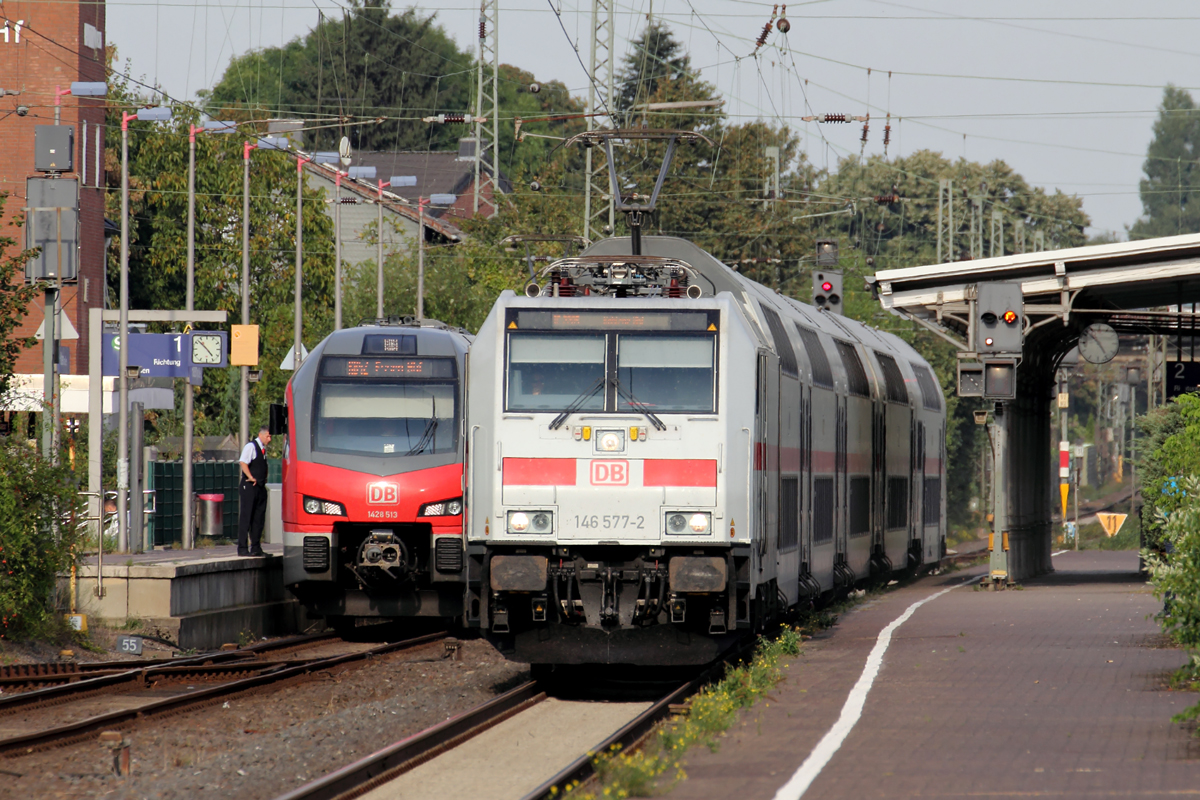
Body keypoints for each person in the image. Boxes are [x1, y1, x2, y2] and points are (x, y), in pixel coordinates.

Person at [237, 426, 272, 557]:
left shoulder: (263, 450)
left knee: (258, 518)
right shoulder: (251, 447)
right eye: (268, 436)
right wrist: (250, 477)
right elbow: (243, 462)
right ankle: (242, 548)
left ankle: (256, 547)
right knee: (247, 516)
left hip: (260, 487)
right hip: (249, 487)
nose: (270, 439)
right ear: (261, 435)